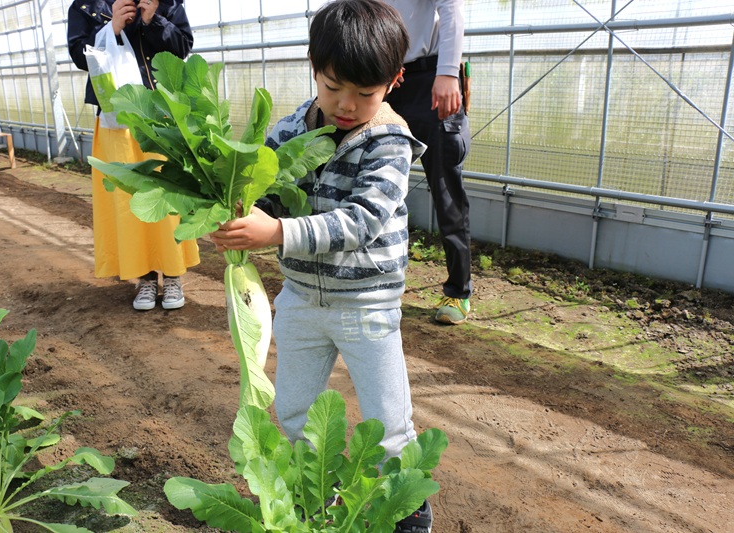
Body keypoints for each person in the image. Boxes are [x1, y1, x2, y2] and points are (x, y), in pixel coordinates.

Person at [209, 1, 432, 531]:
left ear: (394, 81)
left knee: (387, 424)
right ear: (313, 65)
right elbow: (261, 196)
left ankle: (407, 514)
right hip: (302, 300)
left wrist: (278, 232)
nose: (347, 105)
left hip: (367, 305)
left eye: (365, 93)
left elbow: (361, 221)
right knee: (293, 414)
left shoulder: (389, 142)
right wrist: (234, 217)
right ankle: (317, 504)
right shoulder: (289, 131)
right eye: (334, 89)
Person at [67, 0, 199, 310]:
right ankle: (145, 278)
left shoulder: (166, 3)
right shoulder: (86, 6)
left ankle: (174, 274)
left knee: (167, 196)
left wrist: (154, 20)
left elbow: (182, 48)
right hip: (117, 121)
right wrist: (110, 27)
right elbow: (78, 55)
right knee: (129, 201)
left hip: (162, 119)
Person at [383, 0, 473, 325]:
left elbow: (451, 7)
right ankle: (377, 282)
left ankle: (458, 291)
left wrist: (448, 71)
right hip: (384, 81)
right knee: (377, 184)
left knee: (446, 190)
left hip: (430, 78)